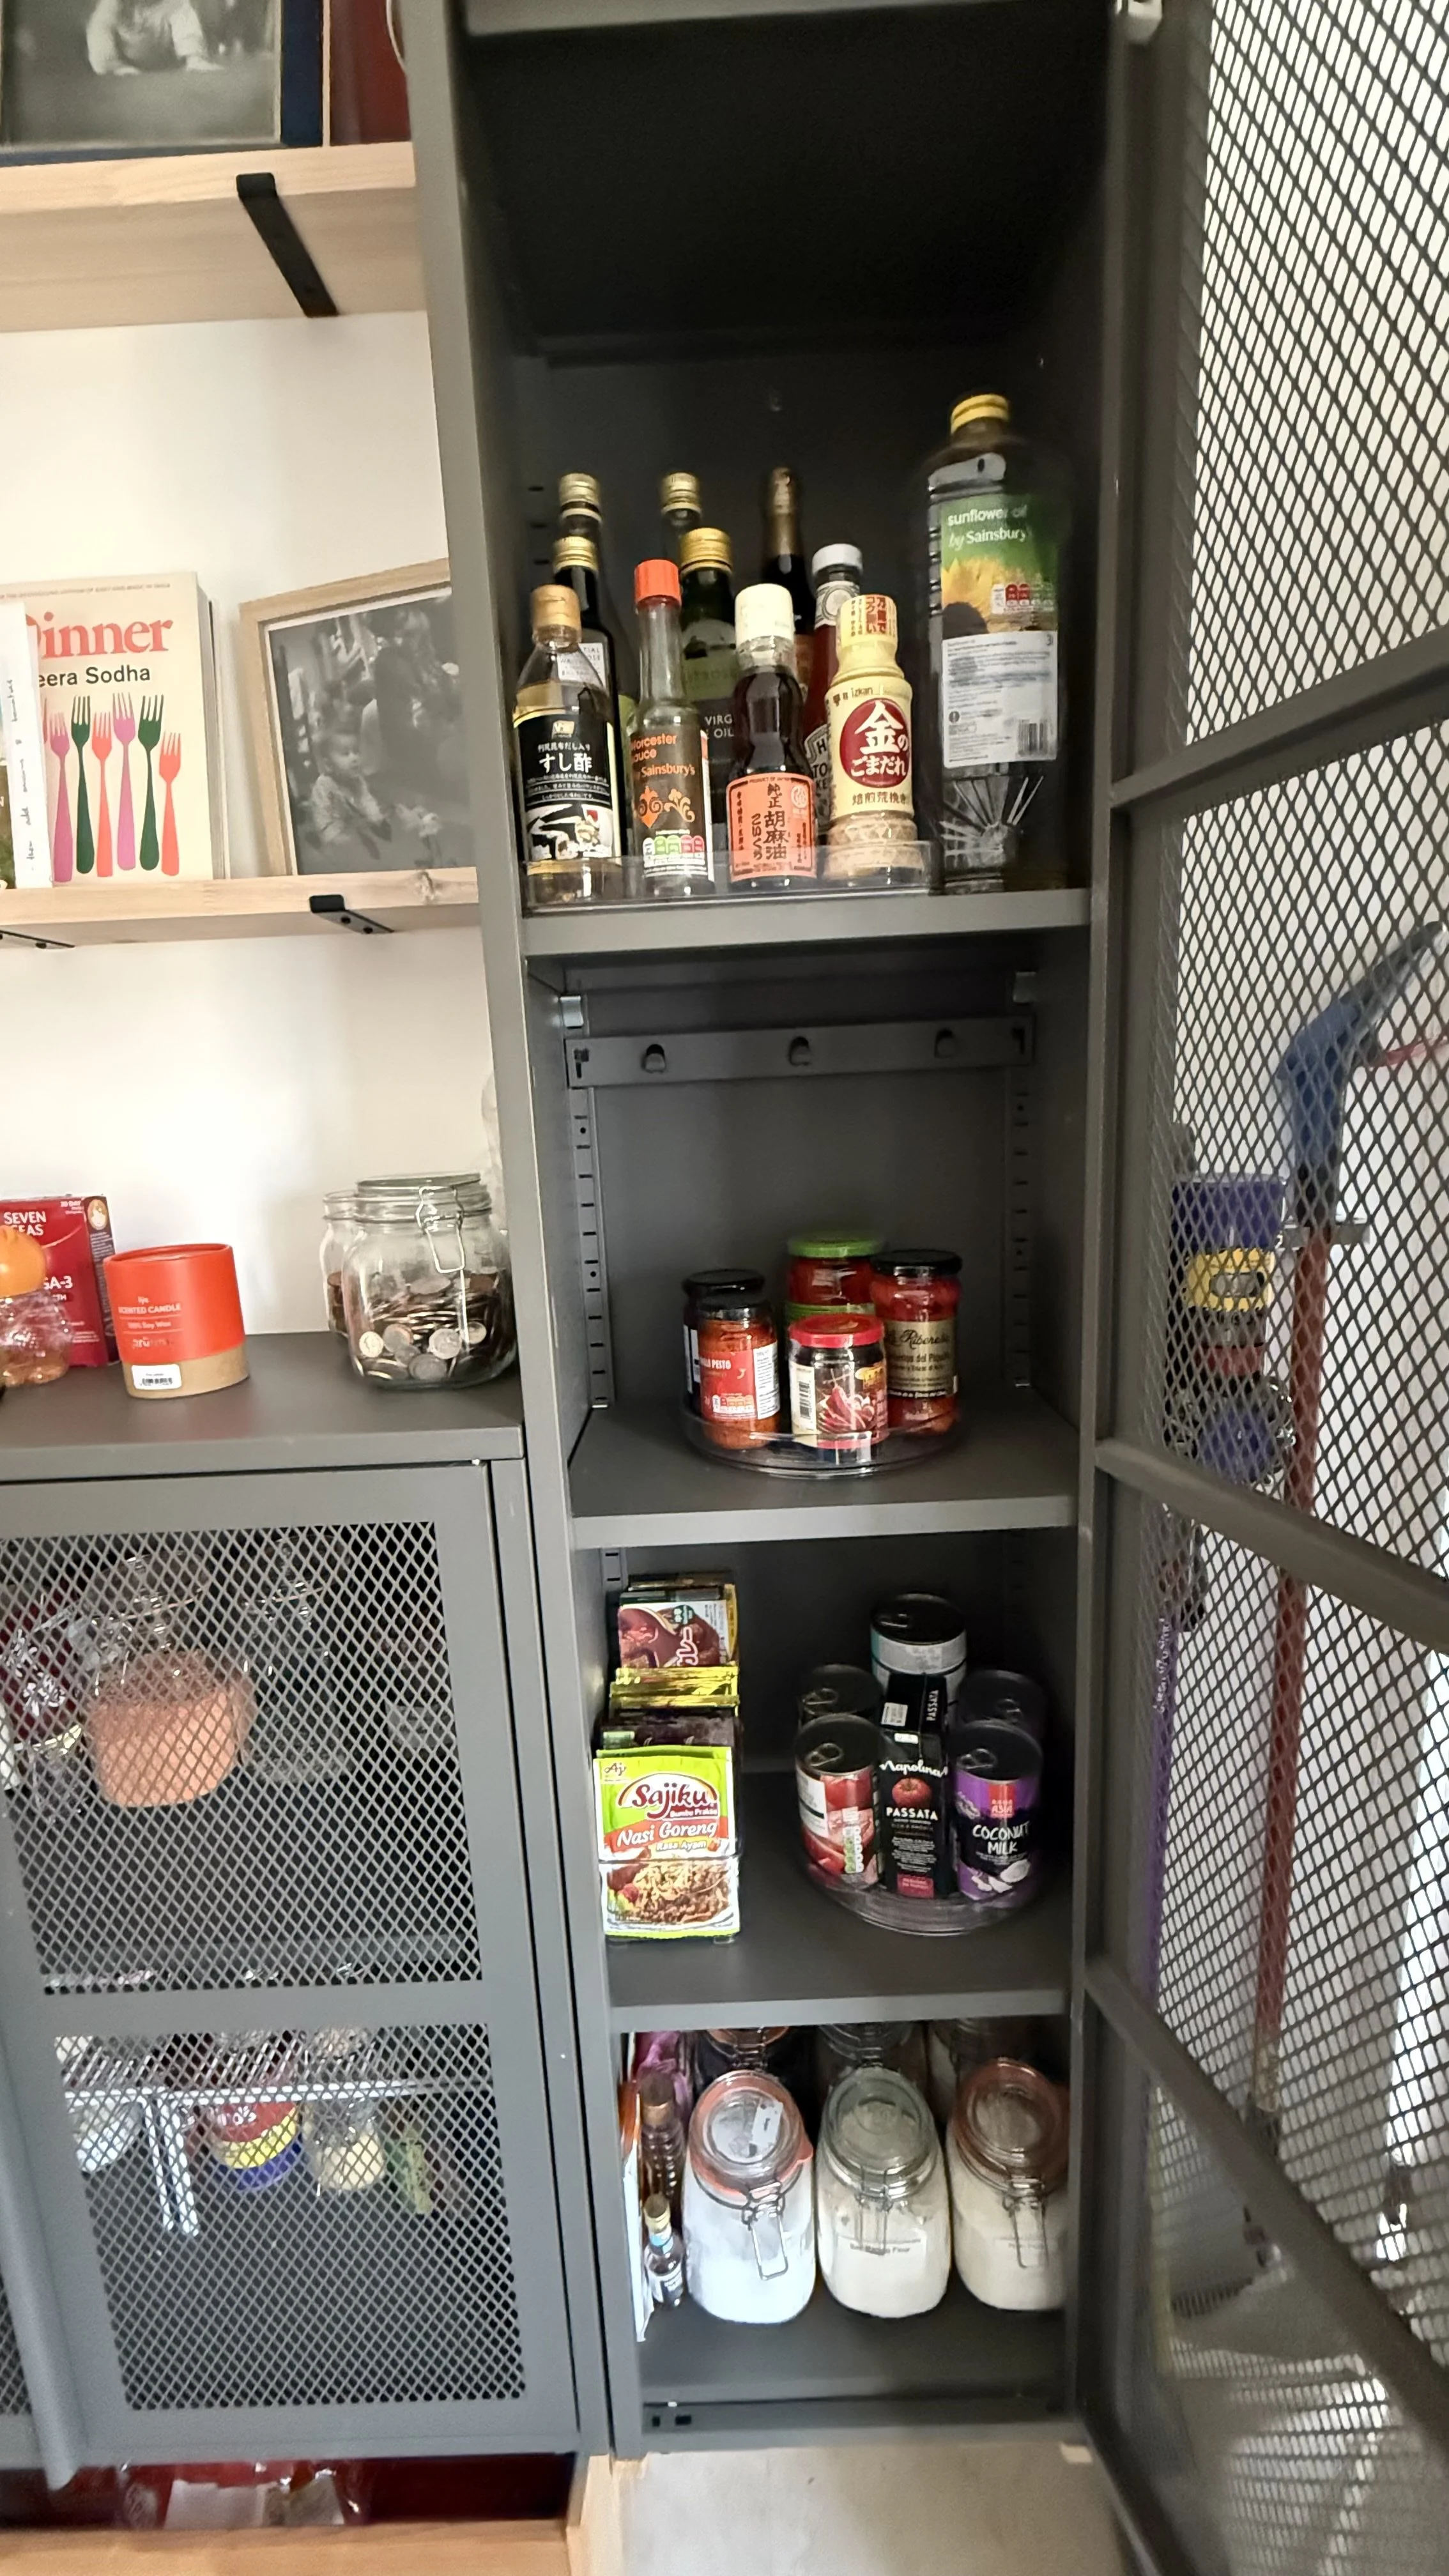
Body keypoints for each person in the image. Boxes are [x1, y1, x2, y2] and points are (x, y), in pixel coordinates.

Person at [307, 733, 391, 867]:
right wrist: (331, 834)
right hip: (334, 824)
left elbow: (366, 799)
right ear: (329, 764)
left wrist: (376, 816)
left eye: (356, 752)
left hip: (352, 821)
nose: (354, 758)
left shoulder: (358, 780)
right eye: (346, 754)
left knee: (371, 847)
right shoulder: (324, 785)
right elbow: (321, 813)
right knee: (334, 857)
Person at [86, 1, 218, 72]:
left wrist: (194, 57)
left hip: (168, 64)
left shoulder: (174, 3)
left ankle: (195, 60)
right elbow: (99, 30)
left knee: (183, 11)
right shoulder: (111, 5)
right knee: (102, 23)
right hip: (127, 65)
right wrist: (112, 66)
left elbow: (187, 29)